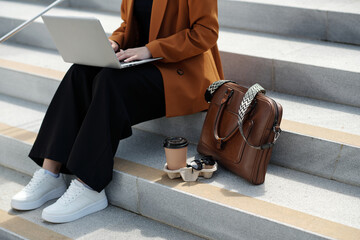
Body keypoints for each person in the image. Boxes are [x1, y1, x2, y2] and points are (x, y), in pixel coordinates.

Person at [11, 0, 224, 223]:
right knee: (80, 71)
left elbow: (206, 32)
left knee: (109, 81)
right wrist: (113, 42)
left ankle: (90, 185)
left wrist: (150, 49)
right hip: (142, 61)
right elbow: (128, 26)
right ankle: (50, 173)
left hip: (182, 71)